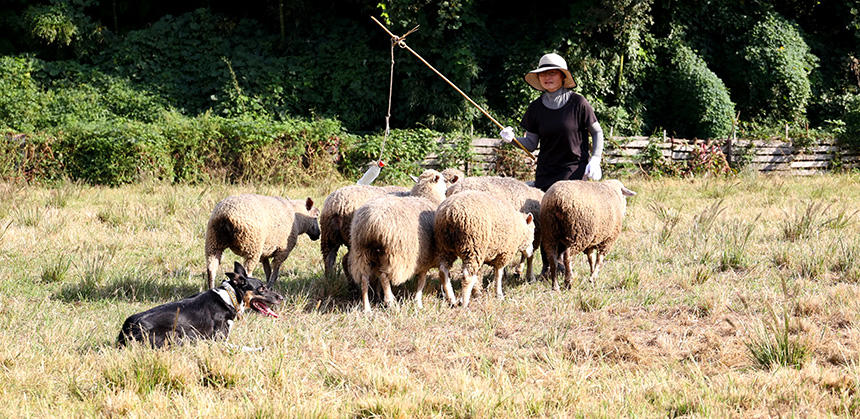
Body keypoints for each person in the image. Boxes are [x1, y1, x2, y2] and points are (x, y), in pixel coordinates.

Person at [500, 53, 604, 191]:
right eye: (543, 74)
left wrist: (596, 159)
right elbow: (531, 144)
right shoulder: (535, 108)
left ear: (562, 76)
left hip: (574, 174)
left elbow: (597, 131)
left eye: (552, 73)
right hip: (545, 176)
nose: (547, 77)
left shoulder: (578, 103)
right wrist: (512, 139)